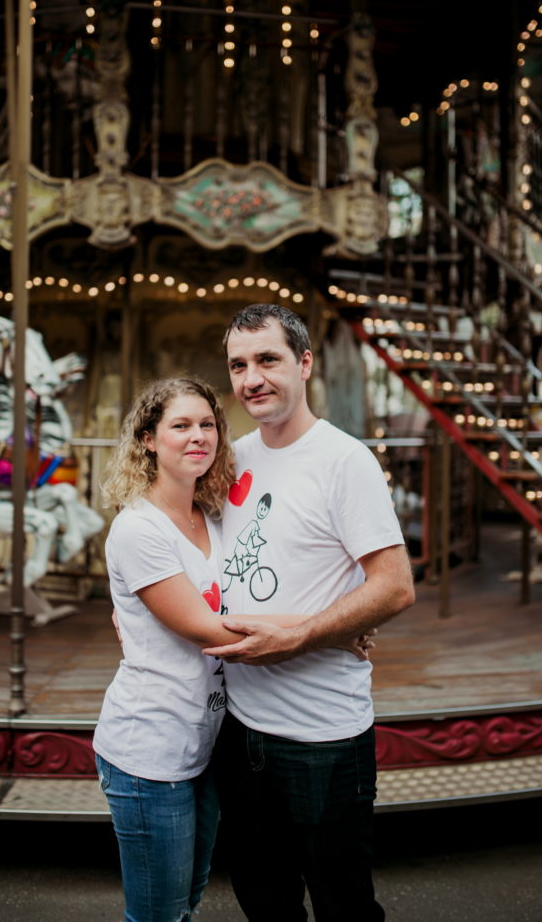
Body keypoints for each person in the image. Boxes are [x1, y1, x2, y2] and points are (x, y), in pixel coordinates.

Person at [93, 376, 349, 922]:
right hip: (150, 746)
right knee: (160, 913)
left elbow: (244, 598)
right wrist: (336, 627)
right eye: (180, 425)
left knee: (189, 898)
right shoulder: (139, 528)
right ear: (147, 439)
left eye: (207, 424)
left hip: (207, 744)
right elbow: (210, 630)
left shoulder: (212, 518)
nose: (197, 436)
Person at [203, 303, 415, 922]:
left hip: (323, 734)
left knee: (343, 902)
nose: (252, 379)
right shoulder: (231, 457)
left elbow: (395, 586)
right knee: (264, 900)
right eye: (239, 365)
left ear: (304, 363)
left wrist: (302, 636)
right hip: (241, 727)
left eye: (268, 360)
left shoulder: (343, 461)